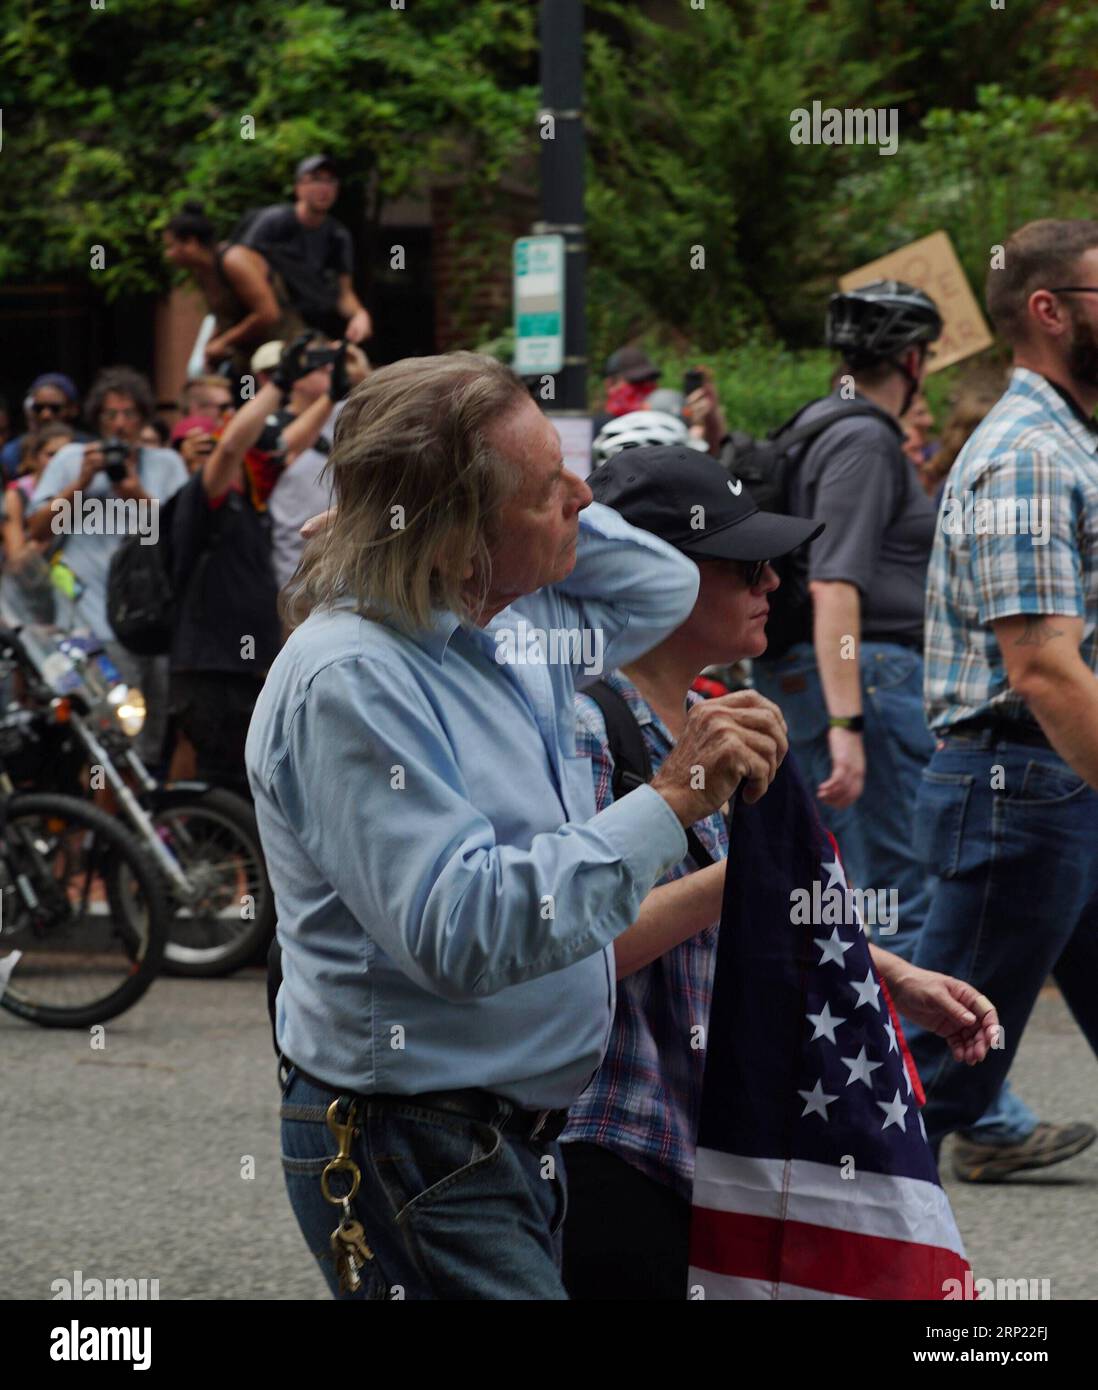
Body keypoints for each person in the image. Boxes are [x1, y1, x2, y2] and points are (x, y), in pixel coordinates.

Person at [246, 351, 795, 1300]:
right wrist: (670, 801)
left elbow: (659, 585)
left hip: (498, 1138)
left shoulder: (512, 619)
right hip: (415, 1143)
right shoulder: (353, 676)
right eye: (551, 488)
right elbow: (461, 931)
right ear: (461, 534)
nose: (586, 495)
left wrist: (403, 513)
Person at [559, 444, 1002, 1299]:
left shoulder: (714, 716)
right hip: (616, 1138)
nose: (775, 584)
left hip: (704, 1131)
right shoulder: (586, 723)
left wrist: (891, 972)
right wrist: (751, 878)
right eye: (747, 564)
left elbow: (743, 924)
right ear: (657, 572)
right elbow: (577, 942)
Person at [751, 280, 1057, 1174]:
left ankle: (974, 1112)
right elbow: (840, 582)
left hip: (847, 682)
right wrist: (847, 721)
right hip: (871, 683)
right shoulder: (861, 440)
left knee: (898, 895)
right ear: (913, 361)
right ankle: (949, 1121)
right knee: (910, 899)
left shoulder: (819, 426)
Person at [907, 218, 1098, 1180]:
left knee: (943, 1058)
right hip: (1025, 782)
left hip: (1058, 780)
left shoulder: (1069, 442)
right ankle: (777, 1229)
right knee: (934, 1065)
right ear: (1048, 311)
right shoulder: (1030, 455)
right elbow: (1045, 669)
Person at [169, 338, 347, 793]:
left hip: (245, 666)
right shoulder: (205, 497)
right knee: (223, 789)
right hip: (213, 671)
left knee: (251, 786)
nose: (269, 461)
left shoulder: (253, 500)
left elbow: (286, 446)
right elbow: (231, 449)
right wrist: (280, 384)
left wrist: (332, 393)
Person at [26, 366, 187, 766]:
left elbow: (176, 537)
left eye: (130, 414)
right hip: (91, 621)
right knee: (106, 740)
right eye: (110, 415)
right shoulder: (70, 459)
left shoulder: (165, 464)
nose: (120, 424)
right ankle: (103, 823)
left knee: (149, 736)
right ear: (97, 419)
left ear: (144, 418)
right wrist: (80, 482)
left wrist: (136, 494)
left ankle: (144, 822)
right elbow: (39, 528)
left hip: (150, 621)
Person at [164, 202, 306, 381]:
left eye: (171, 246)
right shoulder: (201, 272)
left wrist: (224, 342)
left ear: (191, 243)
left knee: (270, 404)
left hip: (280, 355)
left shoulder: (234, 260)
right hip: (249, 364)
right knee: (249, 399)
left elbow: (269, 313)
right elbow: (224, 315)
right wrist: (210, 348)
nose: (168, 254)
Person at [238, 156, 372, 344]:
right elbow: (237, 264)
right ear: (298, 187)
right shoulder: (272, 222)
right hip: (267, 318)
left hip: (311, 326)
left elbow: (344, 293)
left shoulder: (338, 235)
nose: (324, 187)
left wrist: (359, 314)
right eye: (316, 179)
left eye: (330, 181)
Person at [0, 373, 86, 481]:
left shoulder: (85, 447)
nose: (45, 415)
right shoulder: (12, 453)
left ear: (72, 409)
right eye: (38, 408)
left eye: (54, 408)